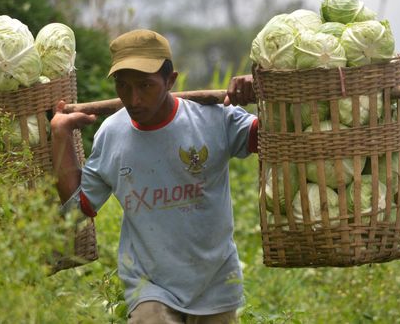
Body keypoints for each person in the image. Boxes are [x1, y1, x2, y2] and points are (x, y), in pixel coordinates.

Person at [50, 29, 257, 323]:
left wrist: (264, 87)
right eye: (124, 86)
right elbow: (79, 206)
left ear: (170, 81)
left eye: (145, 85)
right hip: (150, 285)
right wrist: (60, 135)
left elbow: (272, 137)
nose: (133, 99)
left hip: (215, 281)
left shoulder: (213, 119)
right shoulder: (112, 133)